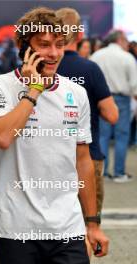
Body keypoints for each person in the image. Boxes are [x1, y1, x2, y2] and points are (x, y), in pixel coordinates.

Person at [0, 7, 109, 264]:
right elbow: (3, 138)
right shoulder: (0, 85)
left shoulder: (76, 92)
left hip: (68, 228)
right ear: (23, 47)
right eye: (43, 45)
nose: (53, 54)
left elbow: (82, 160)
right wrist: (35, 88)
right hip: (17, 228)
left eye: (59, 45)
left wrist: (93, 223)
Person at [56, 7, 118, 257]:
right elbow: (112, 115)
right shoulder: (89, 69)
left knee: (53, 226)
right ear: (80, 34)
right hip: (88, 156)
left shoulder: (42, 67)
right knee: (86, 226)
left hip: (50, 158)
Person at [91, 30, 137, 183]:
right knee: (122, 136)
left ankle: (102, 172)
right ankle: (119, 173)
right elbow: (134, 84)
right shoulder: (127, 57)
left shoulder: (97, 55)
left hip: (100, 98)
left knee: (102, 136)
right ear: (120, 40)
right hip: (122, 98)